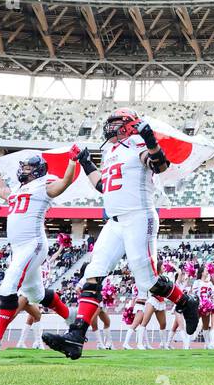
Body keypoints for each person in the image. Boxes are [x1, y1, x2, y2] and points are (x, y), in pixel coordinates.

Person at [45, 111, 200, 360]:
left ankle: (185, 302)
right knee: (93, 274)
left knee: (149, 281)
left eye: (116, 123)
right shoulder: (111, 151)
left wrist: (149, 139)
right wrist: (86, 162)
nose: (110, 128)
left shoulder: (138, 144)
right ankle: (75, 337)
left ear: (129, 126)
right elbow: (102, 186)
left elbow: (160, 165)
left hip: (139, 216)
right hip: (114, 222)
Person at [0, 148, 80, 351]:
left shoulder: (44, 185)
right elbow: (2, 190)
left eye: (28, 167)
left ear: (38, 170)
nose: (24, 169)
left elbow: (63, 184)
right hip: (19, 247)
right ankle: (70, 316)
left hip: (33, 244)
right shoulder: (17, 189)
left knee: (8, 286)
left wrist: (72, 162)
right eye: (23, 166)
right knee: (37, 294)